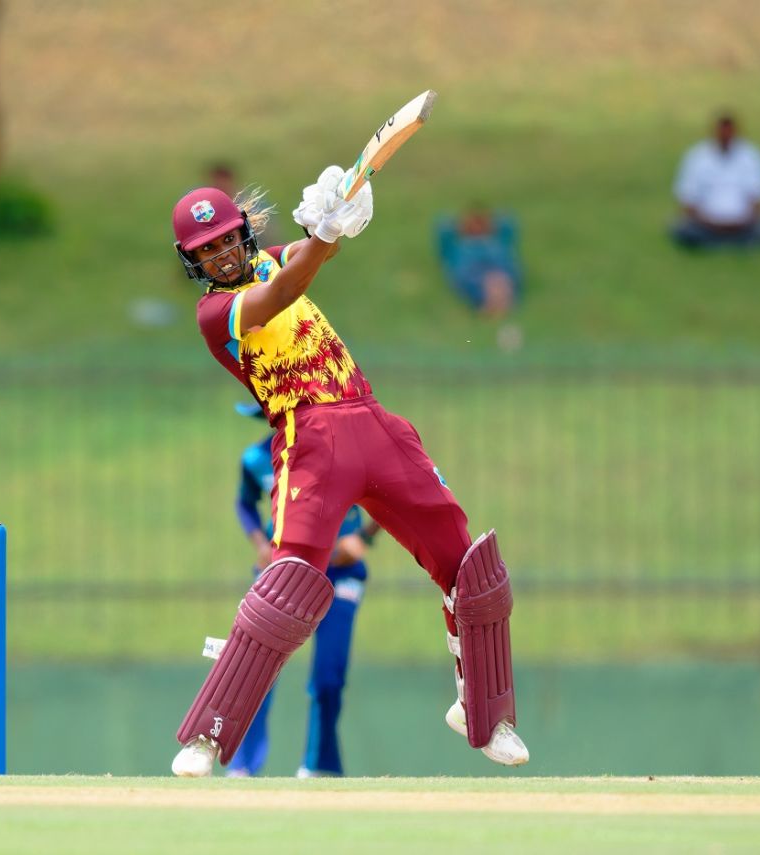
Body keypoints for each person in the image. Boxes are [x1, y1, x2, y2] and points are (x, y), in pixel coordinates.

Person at [168, 167, 529, 778]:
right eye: (206, 252)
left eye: (227, 240)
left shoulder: (272, 259)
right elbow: (280, 295)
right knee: (288, 583)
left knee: (466, 563)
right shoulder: (216, 313)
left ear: (242, 235)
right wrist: (323, 238)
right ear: (194, 263)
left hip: (372, 420)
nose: (221, 257)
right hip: (308, 435)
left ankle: (484, 707)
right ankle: (210, 733)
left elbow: (307, 257)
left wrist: (333, 226)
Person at [227, 402, 377, 778]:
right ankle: (243, 764)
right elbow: (244, 504)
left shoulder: (340, 452)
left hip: (339, 574)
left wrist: (362, 538)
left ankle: (319, 766)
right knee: (255, 670)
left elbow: (389, 491)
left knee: (328, 675)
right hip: (281, 573)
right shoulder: (257, 458)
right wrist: (261, 544)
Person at [669, 112, 760, 249]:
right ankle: (733, 245)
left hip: (742, 224)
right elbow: (688, 198)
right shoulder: (697, 156)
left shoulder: (751, 156)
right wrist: (706, 221)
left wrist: (745, 221)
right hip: (706, 223)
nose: (725, 136)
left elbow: (758, 198)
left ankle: (718, 244)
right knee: (682, 229)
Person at [434, 205, 522, 316]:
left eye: (480, 223)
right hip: (474, 276)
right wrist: (456, 225)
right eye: (472, 224)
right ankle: (494, 305)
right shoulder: (457, 246)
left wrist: (493, 222)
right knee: (494, 281)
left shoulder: (497, 242)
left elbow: (508, 221)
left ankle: (498, 304)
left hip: (499, 272)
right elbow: (443, 227)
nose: (476, 227)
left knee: (499, 279)